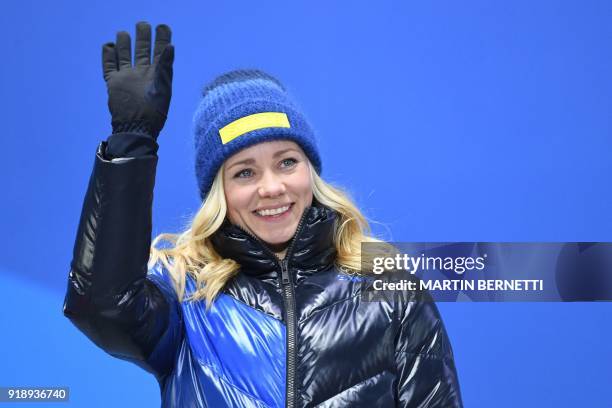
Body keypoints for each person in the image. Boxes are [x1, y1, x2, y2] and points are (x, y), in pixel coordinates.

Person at [63, 22, 463, 408]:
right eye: (245, 172)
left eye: (287, 162)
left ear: (311, 171)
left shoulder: (390, 291)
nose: (271, 187)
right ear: (219, 193)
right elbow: (103, 305)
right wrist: (131, 145)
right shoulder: (186, 296)